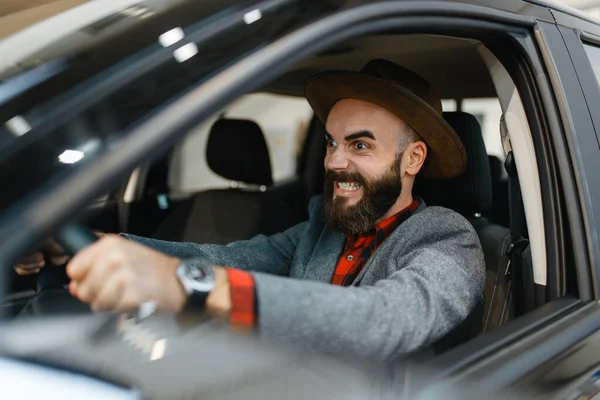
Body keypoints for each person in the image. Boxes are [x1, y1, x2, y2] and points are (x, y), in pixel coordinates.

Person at [15, 59, 485, 361]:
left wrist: (190, 288)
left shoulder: (448, 239)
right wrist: (92, 248)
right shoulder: (324, 225)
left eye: (360, 145)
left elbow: (387, 321)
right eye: (332, 143)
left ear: (413, 159)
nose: (335, 161)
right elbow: (228, 259)